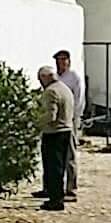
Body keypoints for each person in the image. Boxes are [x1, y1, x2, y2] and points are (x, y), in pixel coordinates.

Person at [35, 65, 75, 212]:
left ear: (45, 77)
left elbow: (51, 115)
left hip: (54, 132)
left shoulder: (50, 91)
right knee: (60, 166)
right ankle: (55, 195)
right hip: (66, 130)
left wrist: (35, 123)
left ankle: (55, 199)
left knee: (53, 167)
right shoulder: (64, 88)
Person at [53, 49, 82, 201]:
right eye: (59, 60)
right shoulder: (54, 77)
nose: (61, 62)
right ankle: (51, 187)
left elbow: (78, 99)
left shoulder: (73, 77)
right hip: (55, 121)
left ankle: (71, 188)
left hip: (69, 120)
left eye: (64, 59)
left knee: (70, 154)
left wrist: (74, 117)